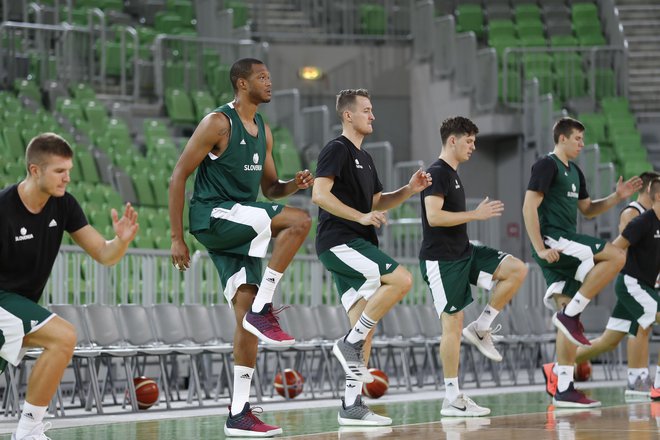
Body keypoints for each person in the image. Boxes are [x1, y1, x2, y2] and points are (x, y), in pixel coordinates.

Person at [169, 58, 313, 437]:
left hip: (241, 224)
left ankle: (239, 412)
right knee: (299, 221)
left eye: (269, 75)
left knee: (244, 318)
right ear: (241, 83)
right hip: (214, 216)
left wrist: (293, 185)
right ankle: (266, 307)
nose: (269, 82)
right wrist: (175, 237)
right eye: (262, 77)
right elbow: (178, 175)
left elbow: (270, 190)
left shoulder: (263, 130)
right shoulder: (218, 123)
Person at [0, 133, 139, 440]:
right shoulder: (3, 207)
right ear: (35, 170)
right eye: (59, 171)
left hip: (18, 307)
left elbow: (104, 254)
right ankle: (27, 432)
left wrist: (121, 241)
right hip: (2, 302)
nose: (68, 178)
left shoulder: (64, 205)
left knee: (61, 339)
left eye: (69, 170)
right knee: (63, 336)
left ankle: (29, 430)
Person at [312, 89, 431, 426]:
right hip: (340, 241)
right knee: (402, 279)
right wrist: (359, 217)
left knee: (365, 325)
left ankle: (351, 405)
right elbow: (319, 194)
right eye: (366, 110)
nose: (372, 115)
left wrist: (408, 190)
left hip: (356, 240)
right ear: (348, 115)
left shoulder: (367, 158)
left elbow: (377, 201)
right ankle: (348, 343)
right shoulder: (336, 149)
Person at [522, 117, 642, 408]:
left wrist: (617, 197)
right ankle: (571, 313)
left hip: (565, 243)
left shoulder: (575, 171)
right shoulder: (546, 165)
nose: (582, 144)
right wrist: (539, 248)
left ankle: (564, 386)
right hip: (555, 239)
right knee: (617, 254)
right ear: (562, 138)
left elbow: (588, 210)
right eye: (577, 138)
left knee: (567, 321)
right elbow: (528, 206)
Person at [419, 116, 528, 417]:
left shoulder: (452, 173)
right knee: (451, 326)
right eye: (469, 141)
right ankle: (452, 398)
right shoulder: (437, 172)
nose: (473, 147)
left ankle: (481, 327)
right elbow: (434, 217)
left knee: (516, 269)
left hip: (464, 252)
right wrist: (474, 216)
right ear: (452, 140)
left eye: (475, 141)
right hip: (442, 260)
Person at [573, 173, 660, 400]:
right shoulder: (634, 213)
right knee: (643, 325)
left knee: (608, 341)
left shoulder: (656, 217)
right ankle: (637, 378)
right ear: (651, 189)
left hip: (645, 283)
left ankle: (563, 360)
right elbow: (621, 247)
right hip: (633, 282)